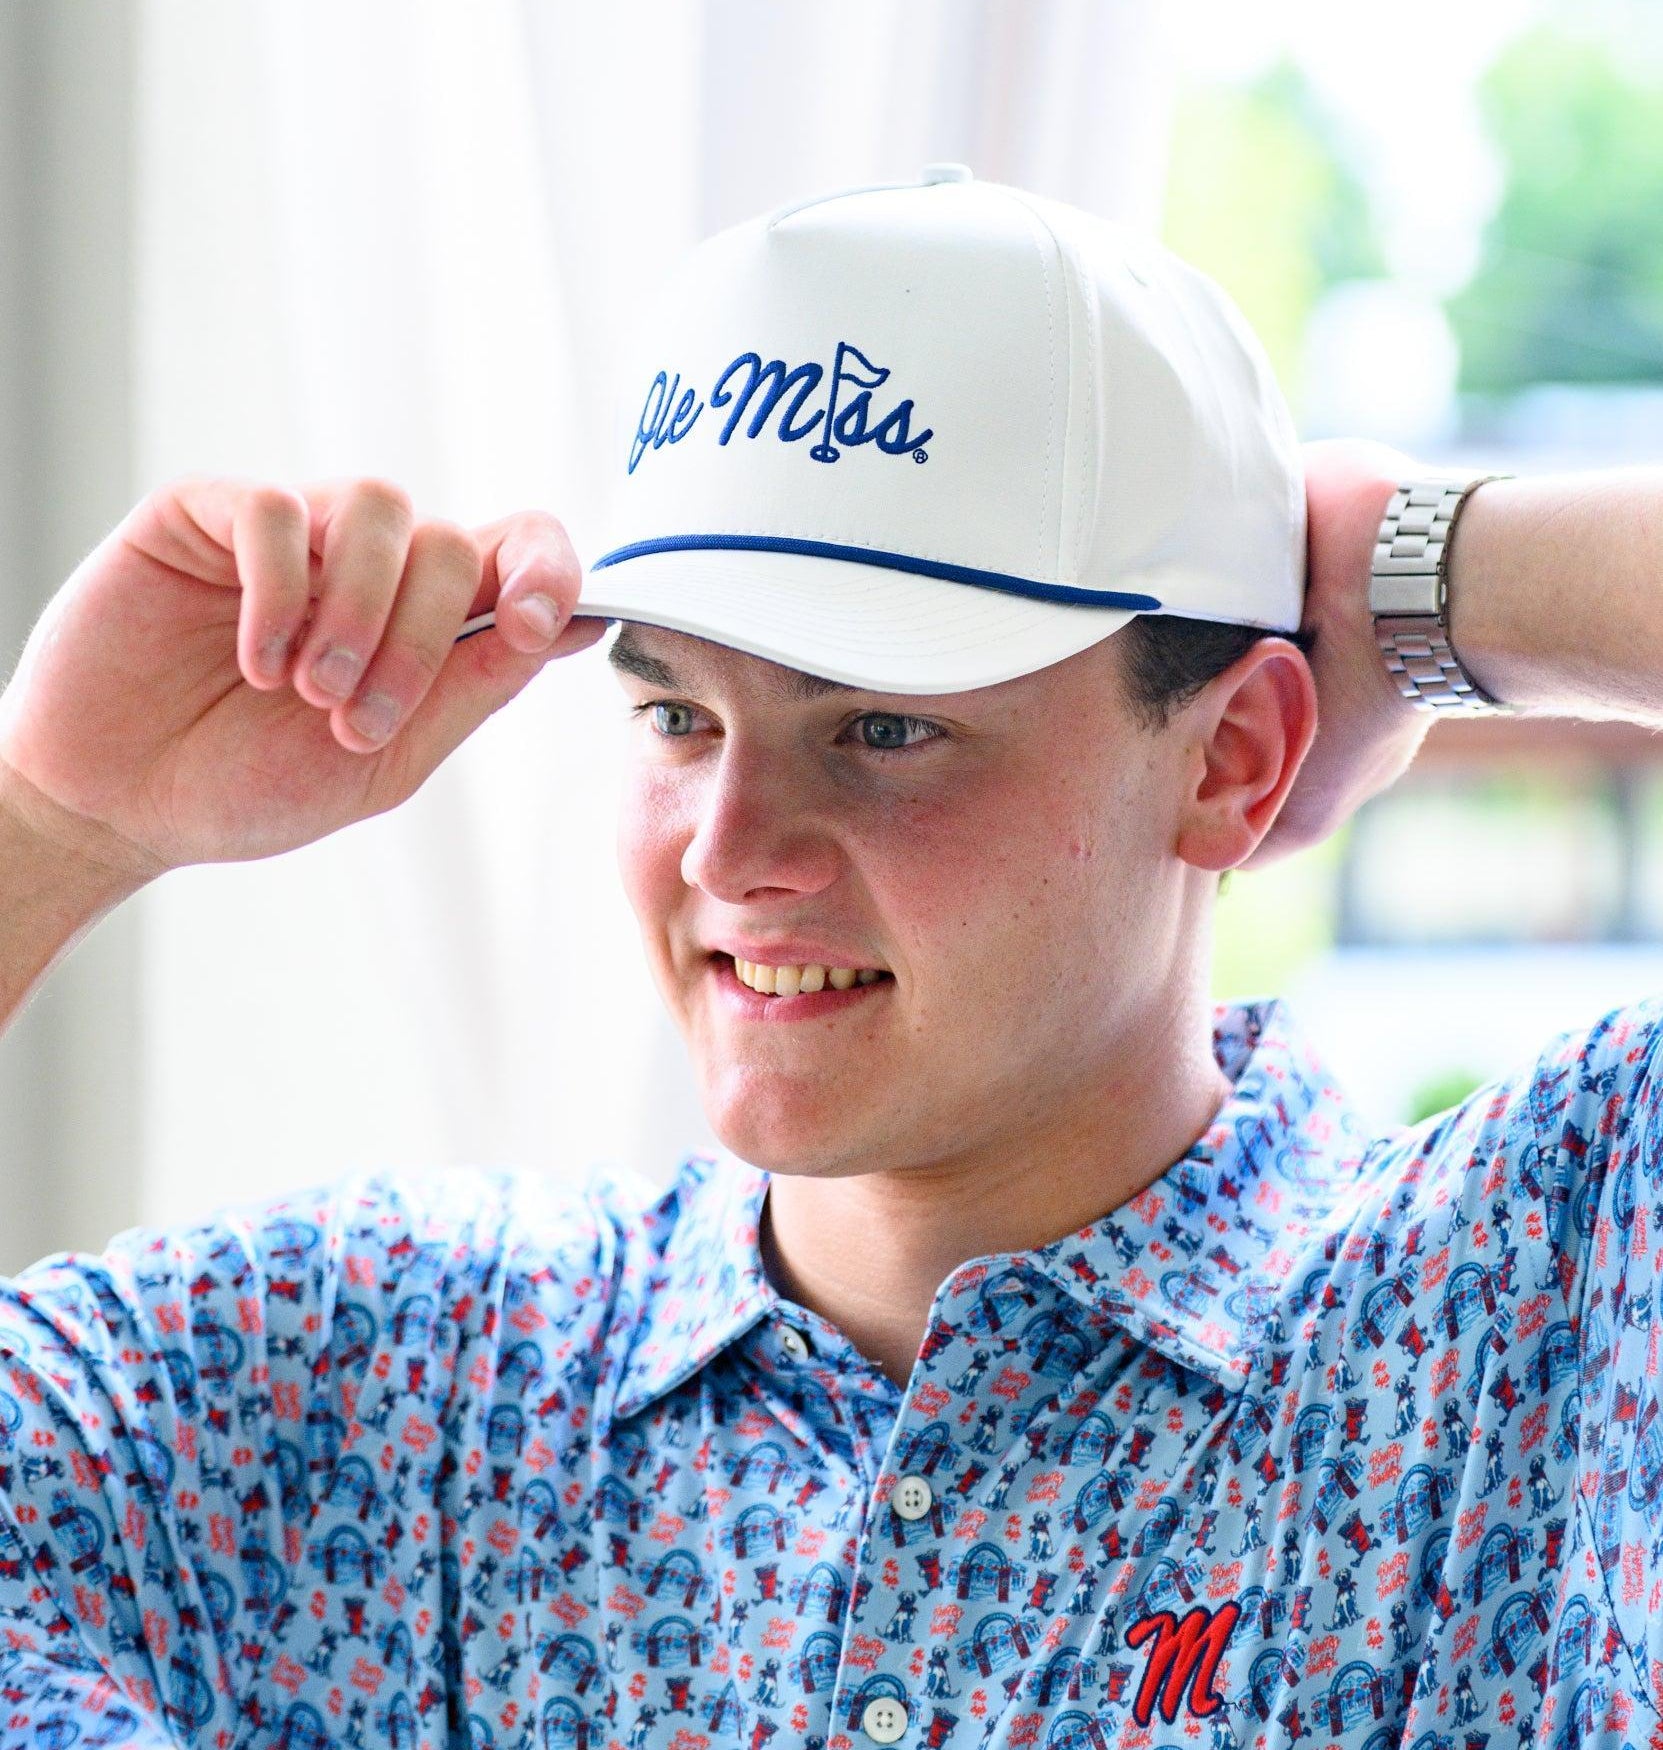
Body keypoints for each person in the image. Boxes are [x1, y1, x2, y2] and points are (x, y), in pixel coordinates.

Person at [0, 165, 1657, 1748]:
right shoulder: (415, 1385)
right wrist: (52, 826)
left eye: (880, 726)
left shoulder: (1525, 1302)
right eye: (675, 713)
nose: (727, 849)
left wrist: (1420, 576)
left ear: (1233, 756)